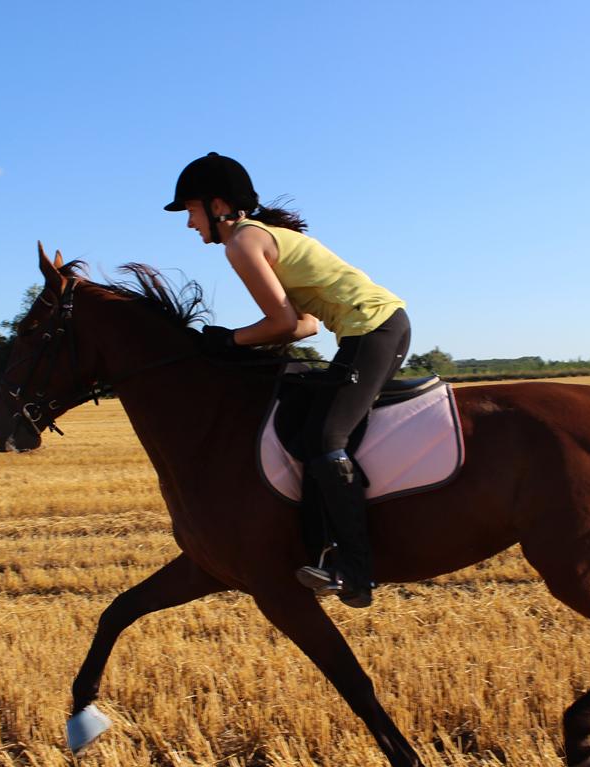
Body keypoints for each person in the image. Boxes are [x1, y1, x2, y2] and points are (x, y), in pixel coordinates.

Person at [165, 152, 410, 608]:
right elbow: (304, 325)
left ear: (218, 205)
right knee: (309, 424)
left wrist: (229, 339)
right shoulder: (258, 237)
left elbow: (283, 324)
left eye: (191, 210)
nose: (189, 223)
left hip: (373, 329)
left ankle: (356, 569)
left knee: (325, 437)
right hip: (370, 330)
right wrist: (239, 342)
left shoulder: (243, 243)